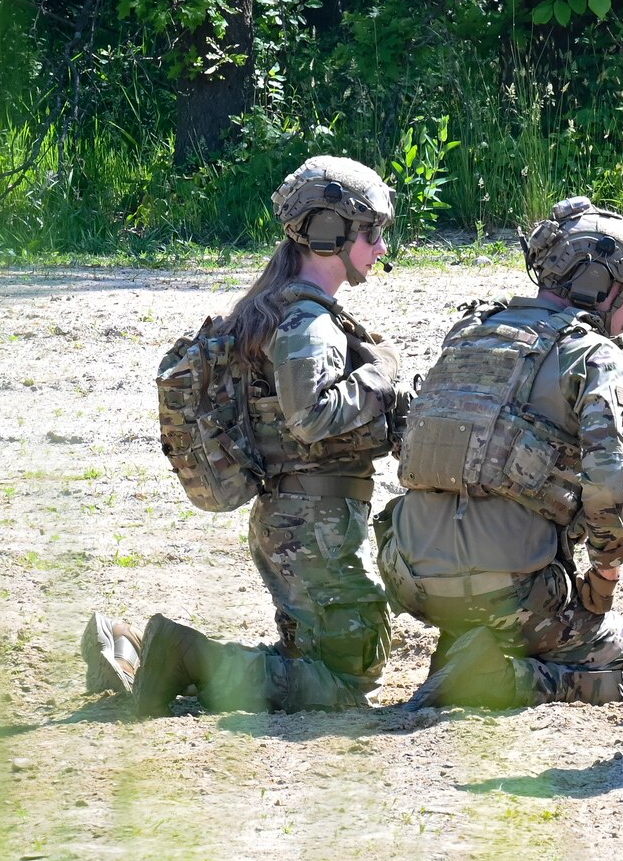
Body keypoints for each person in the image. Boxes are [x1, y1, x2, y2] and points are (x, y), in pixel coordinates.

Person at [89, 156, 405, 716]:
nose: (381, 248)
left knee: (329, 654)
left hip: (300, 521)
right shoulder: (307, 324)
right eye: (372, 233)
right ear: (332, 234)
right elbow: (310, 415)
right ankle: (185, 656)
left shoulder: (277, 307)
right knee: (344, 680)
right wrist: (380, 376)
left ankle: (140, 654)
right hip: (311, 525)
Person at [378, 197, 623, 709]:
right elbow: (608, 483)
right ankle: (507, 679)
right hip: (513, 595)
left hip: (414, 584)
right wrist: (605, 574)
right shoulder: (591, 353)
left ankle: (470, 648)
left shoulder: (468, 334)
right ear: (597, 287)